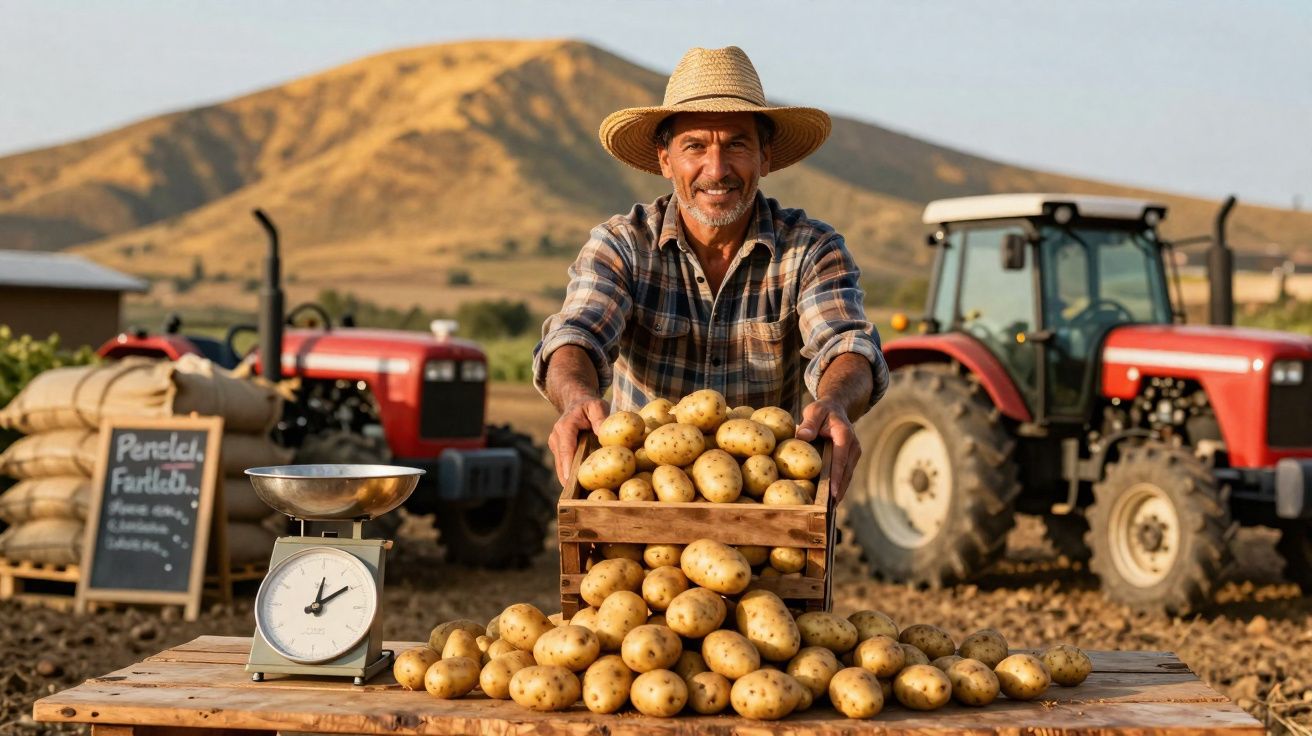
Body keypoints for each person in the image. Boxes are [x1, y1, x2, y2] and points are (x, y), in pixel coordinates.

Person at [532, 46, 888, 501]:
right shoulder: (622, 245)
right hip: (642, 501)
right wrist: (577, 396)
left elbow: (846, 343)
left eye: (737, 144)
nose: (716, 170)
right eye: (695, 146)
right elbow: (575, 335)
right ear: (665, 160)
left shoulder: (810, 249)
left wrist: (836, 402)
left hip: (762, 503)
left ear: (766, 156)